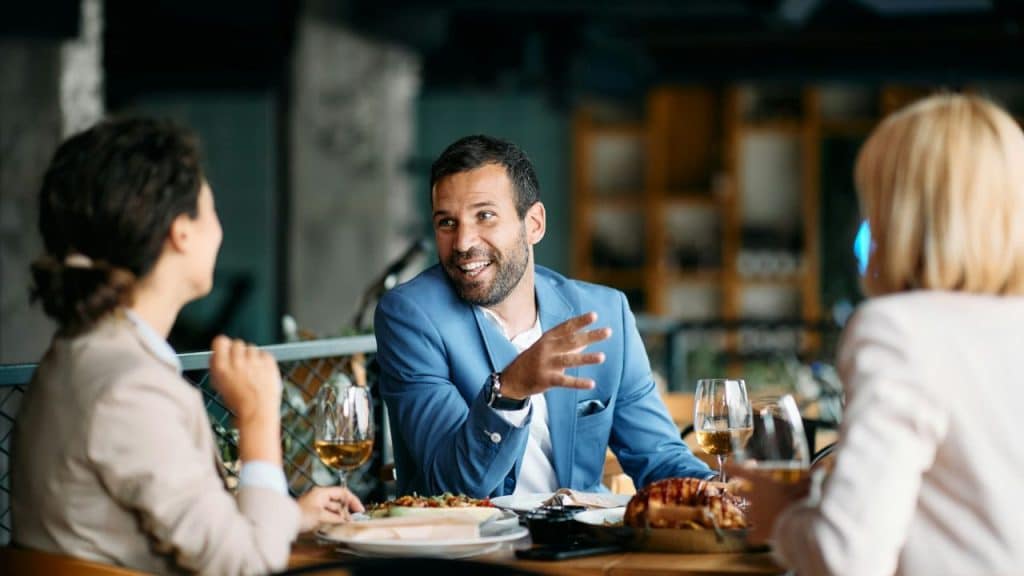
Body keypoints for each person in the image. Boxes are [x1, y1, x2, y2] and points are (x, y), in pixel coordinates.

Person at [10, 117, 363, 575]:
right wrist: (258, 416)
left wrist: (289, 516)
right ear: (181, 231)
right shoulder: (131, 390)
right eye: (211, 210)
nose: (218, 230)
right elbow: (247, 566)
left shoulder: (78, 357)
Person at [737, 94, 1024, 575]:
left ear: (902, 215)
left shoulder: (901, 329)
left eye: (875, 200)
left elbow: (845, 557)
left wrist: (776, 516)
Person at [374, 134, 712, 498]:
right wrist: (509, 392)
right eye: (446, 223)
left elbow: (660, 458)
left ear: (533, 223)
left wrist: (713, 491)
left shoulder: (604, 314)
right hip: (473, 549)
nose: (462, 242)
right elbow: (450, 486)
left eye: (484, 216)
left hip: (585, 544)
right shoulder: (412, 317)